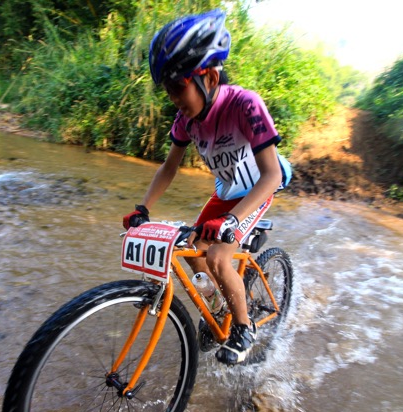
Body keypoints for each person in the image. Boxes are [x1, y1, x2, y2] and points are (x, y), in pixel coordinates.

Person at [122, 9, 291, 365]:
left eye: (176, 87)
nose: (172, 98)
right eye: (166, 90)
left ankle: (244, 327)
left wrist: (231, 222)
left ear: (209, 77)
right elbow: (169, 168)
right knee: (192, 248)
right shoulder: (186, 120)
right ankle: (219, 306)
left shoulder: (245, 105)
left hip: (257, 190)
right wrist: (143, 208)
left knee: (217, 255)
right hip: (226, 192)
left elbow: (271, 176)